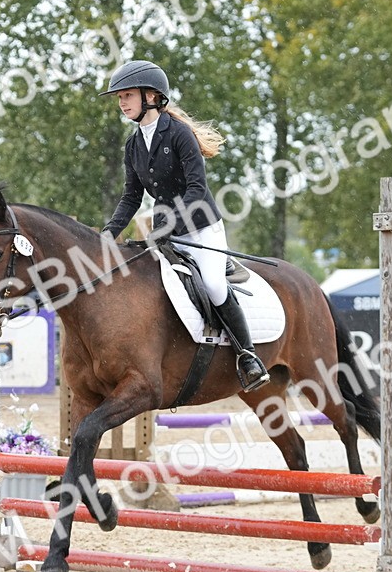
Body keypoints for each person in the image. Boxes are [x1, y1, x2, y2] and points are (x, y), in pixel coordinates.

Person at [99, 59, 269, 392]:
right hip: (166, 233)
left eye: (128, 95)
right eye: (120, 97)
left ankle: (248, 357)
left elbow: (196, 188)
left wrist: (170, 222)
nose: (122, 103)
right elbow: (131, 197)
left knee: (215, 287)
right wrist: (109, 232)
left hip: (201, 228)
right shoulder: (133, 146)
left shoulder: (178, 134)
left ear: (151, 96)